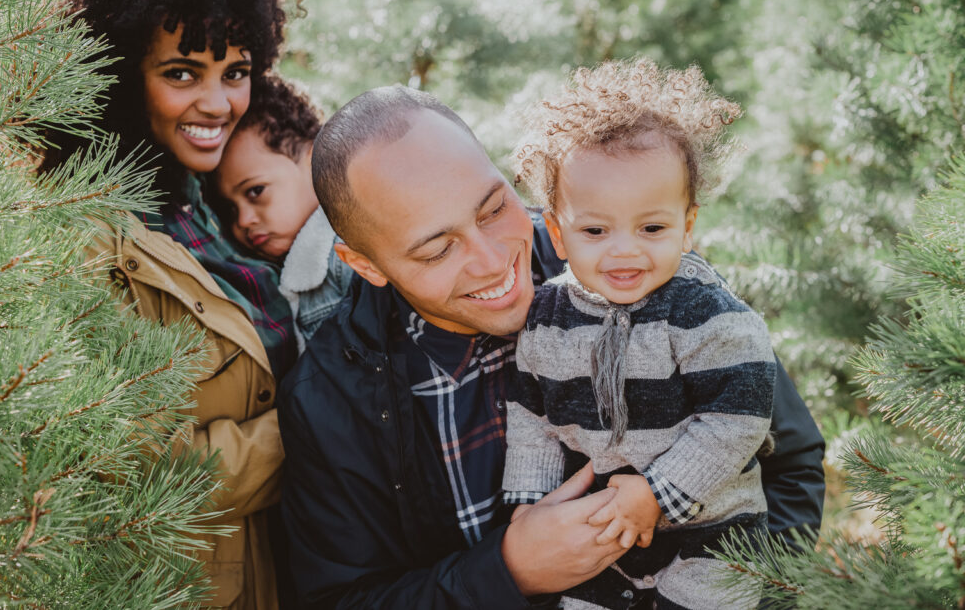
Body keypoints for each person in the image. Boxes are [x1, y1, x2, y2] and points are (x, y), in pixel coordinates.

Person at [277, 85, 826, 609]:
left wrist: (742, 592)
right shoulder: (328, 402)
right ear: (366, 265)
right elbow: (344, 599)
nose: (493, 262)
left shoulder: (619, 251)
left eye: (494, 209)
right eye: (437, 250)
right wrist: (509, 571)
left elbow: (791, 466)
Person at [41, 0, 313, 607]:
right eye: (182, 73)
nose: (219, 104)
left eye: (236, 72)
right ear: (118, 71)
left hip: (294, 566)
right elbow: (139, 472)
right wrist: (326, 422)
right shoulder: (83, 238)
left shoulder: (225, 197)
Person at [503, 58, 773, 609]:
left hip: (710, 525)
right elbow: (532, 418)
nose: (624, 250)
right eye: (596, 230)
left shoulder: (703, 310)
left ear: (688, 225)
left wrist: (658, 494)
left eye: (652, 228)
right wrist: (532, 503)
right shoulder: (549, 314)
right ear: (556, 231)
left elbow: (738, 417)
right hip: (603, 528)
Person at [211, 74, 354, 350]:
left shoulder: (352, 253)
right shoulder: (280, 274)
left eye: (255, 191)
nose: (243, 220)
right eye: (231, 208)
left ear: (317, 160)